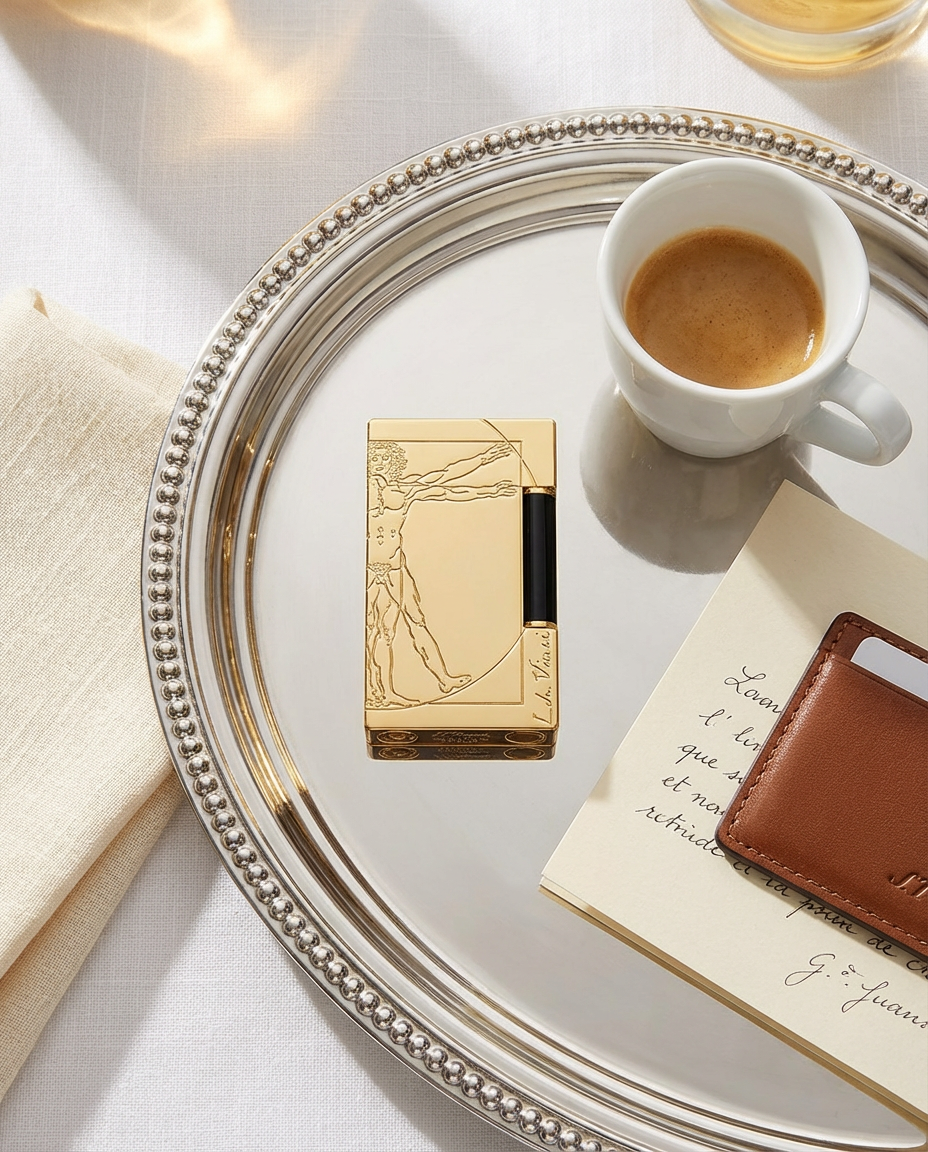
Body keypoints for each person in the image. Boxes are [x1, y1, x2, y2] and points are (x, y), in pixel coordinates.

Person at [366, 439, 516, 708]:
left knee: (416, 623)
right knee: (382, 632)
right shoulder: (359, 494)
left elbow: (448, 484)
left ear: (394, 465)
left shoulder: (404, 491)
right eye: (374, 459)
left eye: (384, 460)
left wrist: (488, 470)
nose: (378, 465)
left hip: (397, 570)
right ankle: (384, 693)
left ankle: (443, 679)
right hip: (373, 572)